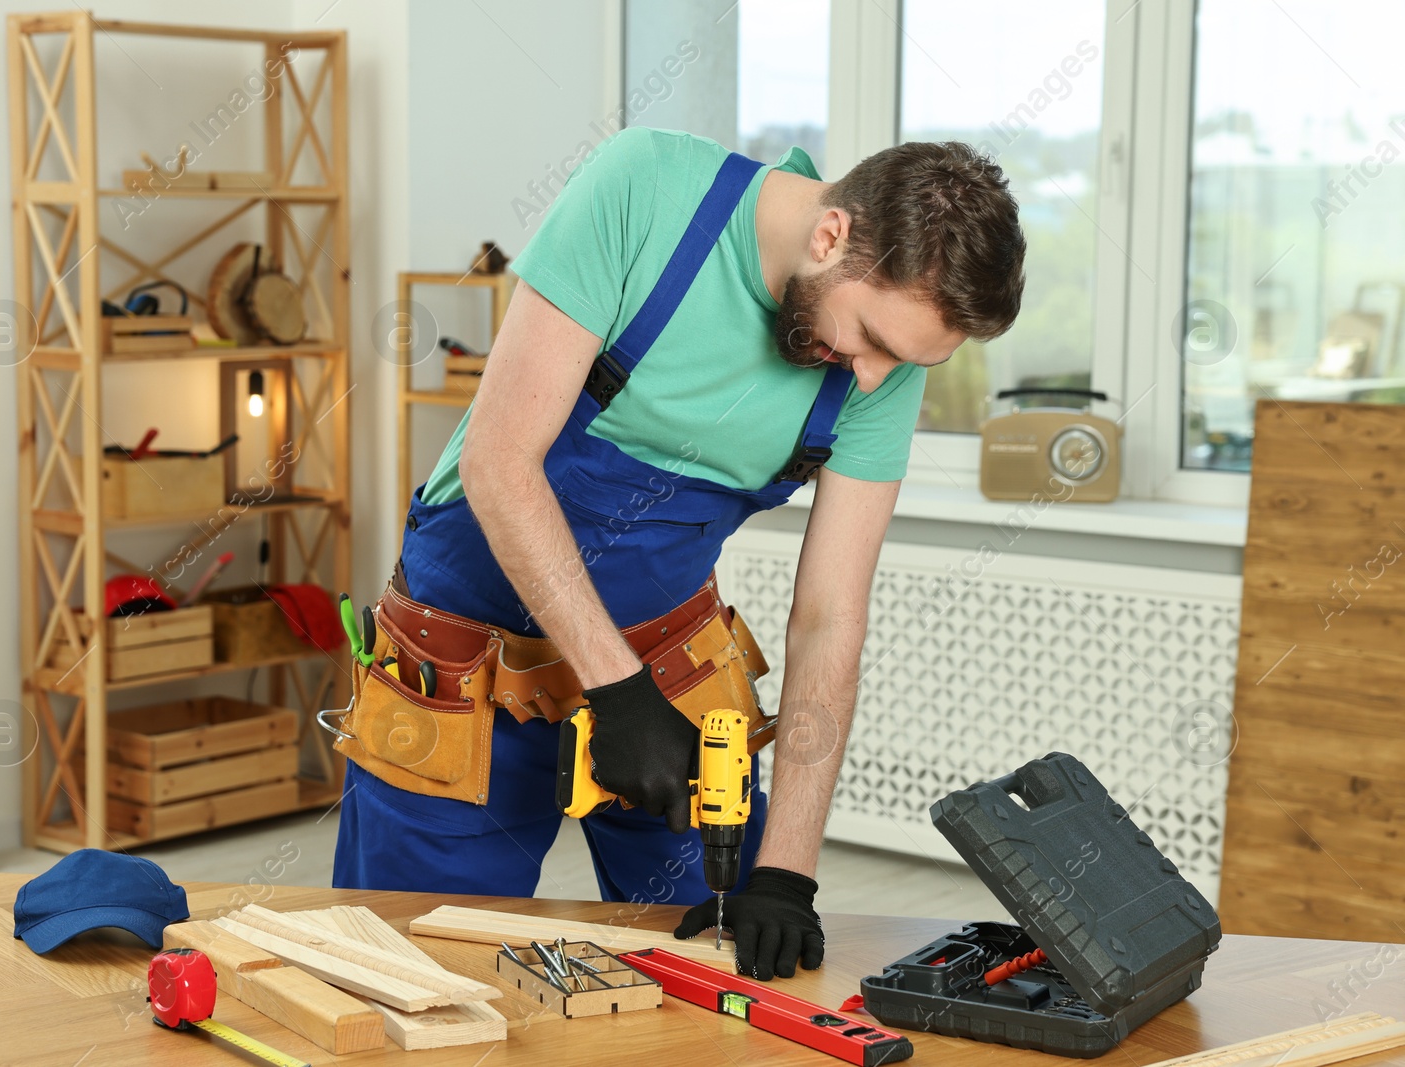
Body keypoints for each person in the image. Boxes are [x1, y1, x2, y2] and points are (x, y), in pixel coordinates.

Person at [332, 127, 1025, 981]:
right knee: (417, 974)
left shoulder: (884, 361)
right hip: (463, 672)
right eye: (873, 340)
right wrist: (612, 686)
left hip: (671, 679)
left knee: (719, 969)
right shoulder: (645, 190)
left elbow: (829, 616)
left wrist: (789, 871)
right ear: (830, 236)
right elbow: (499, 464)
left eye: (909, 360)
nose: (877, 377)